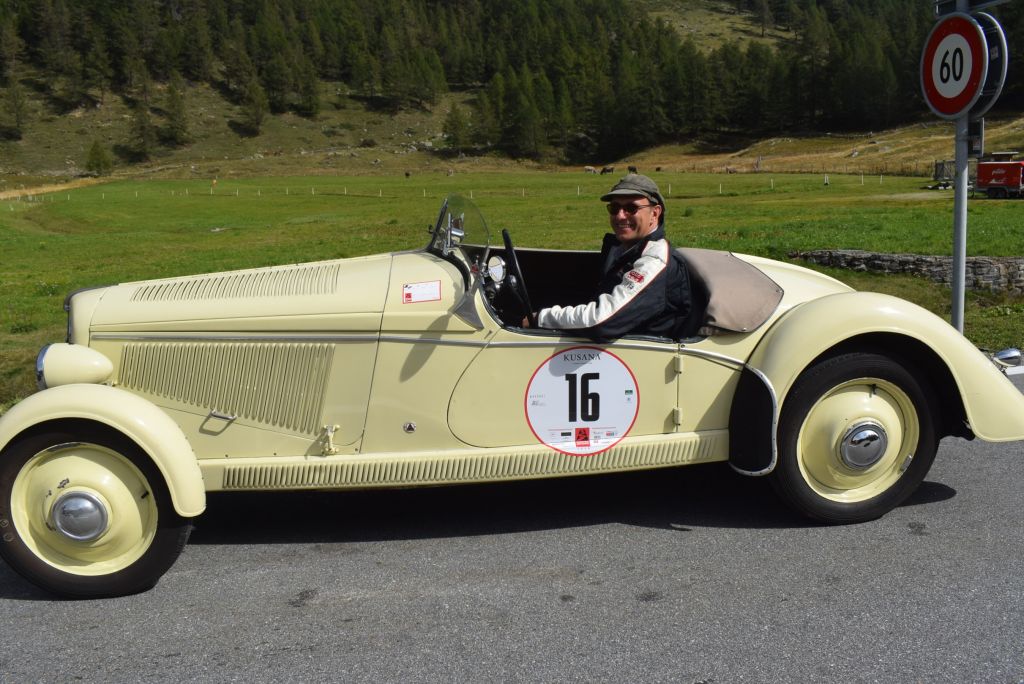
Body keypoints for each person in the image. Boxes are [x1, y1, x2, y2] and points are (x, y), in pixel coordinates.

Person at [525, 173, 695, 339]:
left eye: (631, 208)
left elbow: (600, 321)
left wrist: (540, 318)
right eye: (614, 208)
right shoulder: (625, 251)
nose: (620, 215)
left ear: (655, 213)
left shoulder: (654, 260)